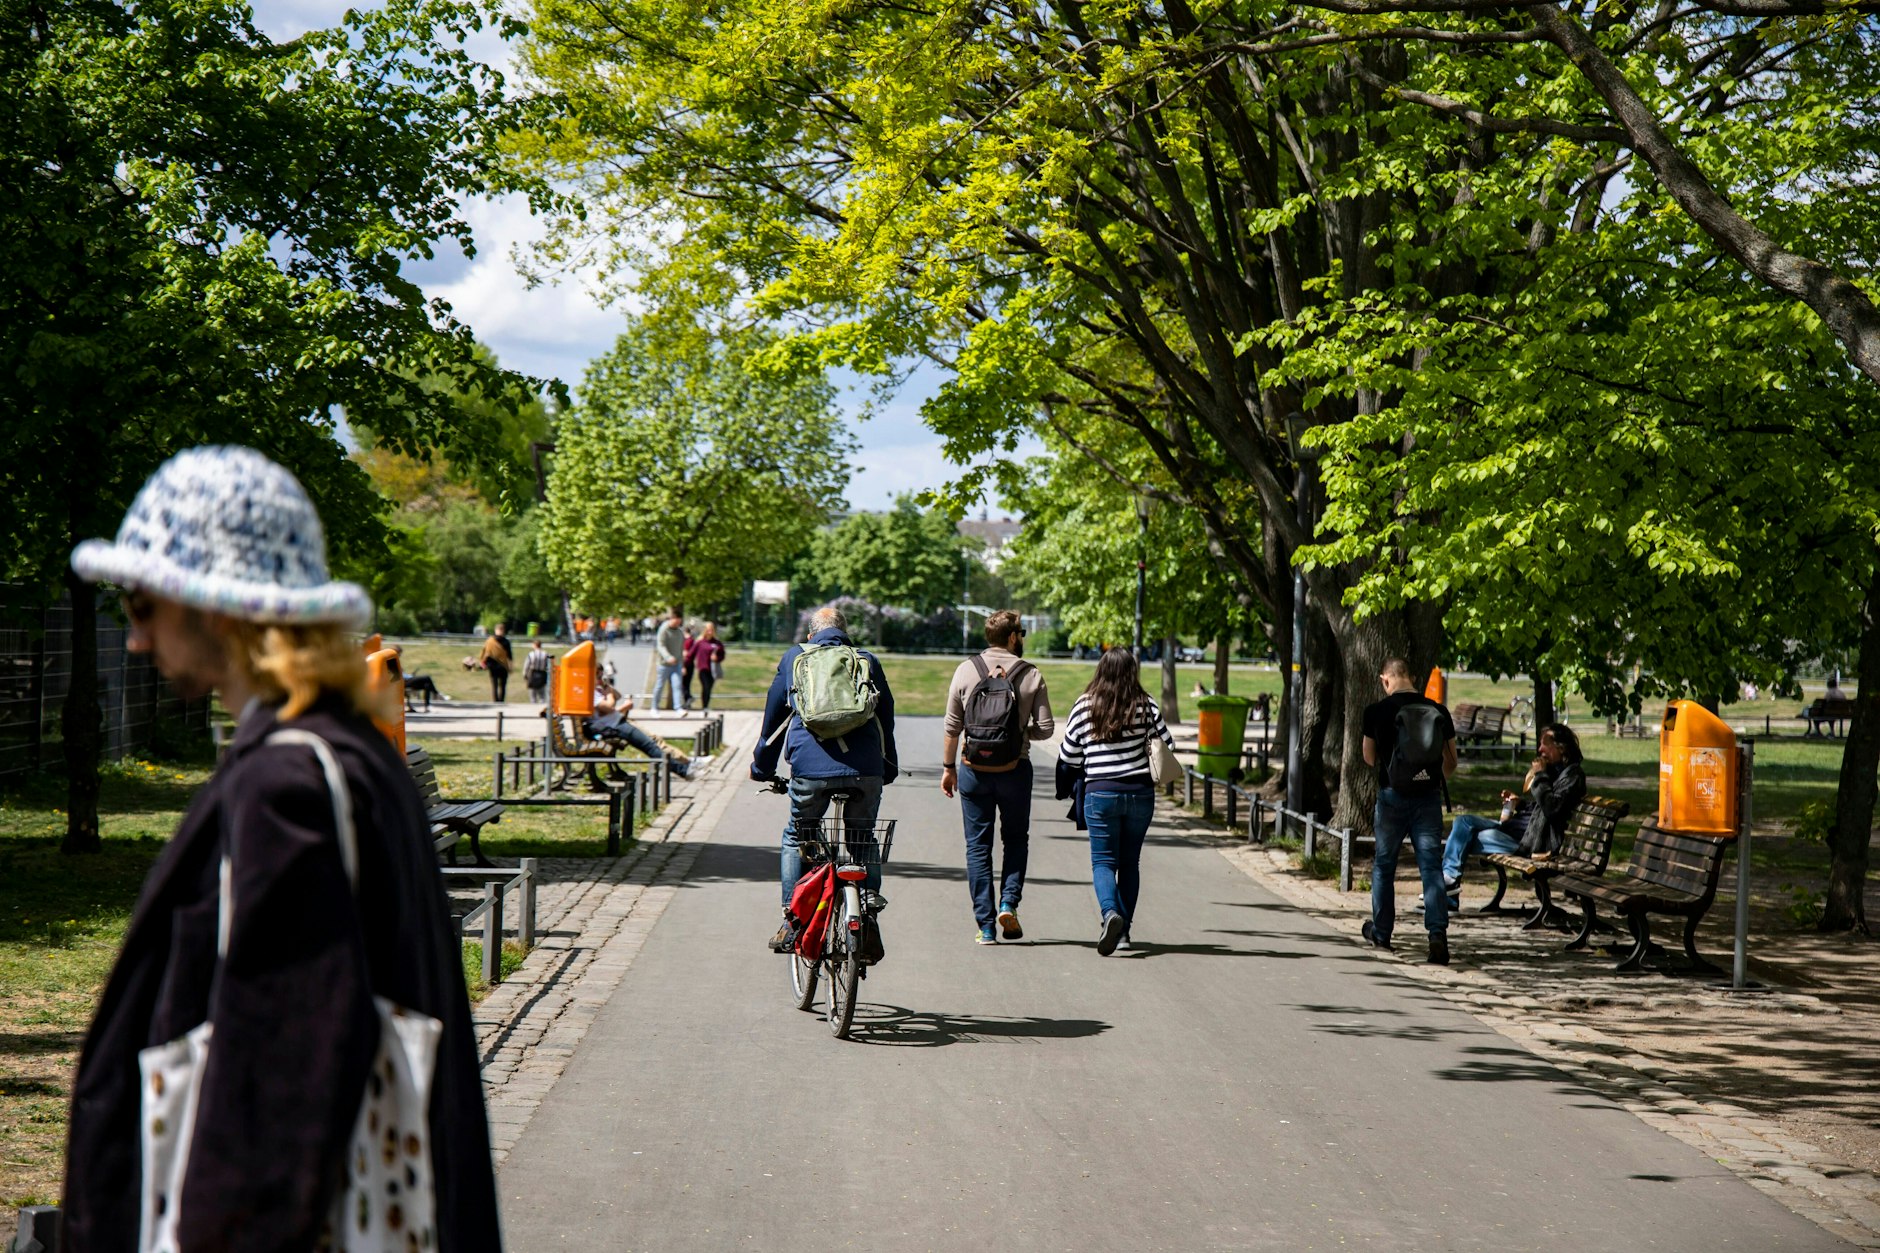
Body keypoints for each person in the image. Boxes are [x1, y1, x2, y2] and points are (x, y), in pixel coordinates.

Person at [61, 446, 500, 1252]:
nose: (136, 637)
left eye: (142, 602)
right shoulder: (352, 755)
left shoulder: (286, 786)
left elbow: (275, 1093)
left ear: (219, 607)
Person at [751, 605, 899, 952]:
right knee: (862, 836)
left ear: (810, 634)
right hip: (865, 769)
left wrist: (762, 767)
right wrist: (887, 766)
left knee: (796, 835)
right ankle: (867, 911)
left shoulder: (794, 657)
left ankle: (792, 920)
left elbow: (773, 720)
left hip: (810, 769)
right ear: (845, 633)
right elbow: (885, 718)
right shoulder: (866, 660)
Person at [942, 610, 1055, 944]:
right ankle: (1009, 903)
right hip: (1015, 770)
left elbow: (952, 727)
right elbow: (1046, 728)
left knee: (978, 847)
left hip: (973, 770)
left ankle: (986, 926)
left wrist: (948, 769)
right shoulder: (1030, 674)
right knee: (1016, 839)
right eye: (1021, 633)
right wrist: (1017, 734)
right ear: (1012, 637)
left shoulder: (966, 670)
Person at [1057, 648, 1175, 955]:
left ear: (1101, 670)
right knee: (1130, 863)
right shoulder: (1145, 704)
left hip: (1100, 794)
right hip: (1140, 793)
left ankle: (1110, 913)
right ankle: (1123, 934)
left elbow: (1069, 755)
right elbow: (1167, 745)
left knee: (1103, 862)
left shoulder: (1085, 705)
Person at [1360, 658, 1459, 964]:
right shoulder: (1438, 711)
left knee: (1384, 865)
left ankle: (1382, 932)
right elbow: (1452, 762)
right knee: (1430, 866)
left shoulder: (1376, 711)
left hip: (1392, 796)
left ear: (1385, 679)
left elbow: (1368, 757)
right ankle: (1437, 934)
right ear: (1411, 677)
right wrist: (1429, 777)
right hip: (1427, 798)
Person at [1441, 723, 1586, 902]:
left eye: (1544, 745)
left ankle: (1448, 886)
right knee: (1463, 822)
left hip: (1529, 842)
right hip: (1515, 829)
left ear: (1561, 748)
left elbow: (1552, 808)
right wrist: (1520, 804)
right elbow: (1541, 808)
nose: (1540, 749)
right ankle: (1449, 884)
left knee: (1466, 837)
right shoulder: (1555, 771)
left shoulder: (1573, 777)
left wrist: (1540, 776)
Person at [589, 678, 692, 777]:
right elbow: (609, 708)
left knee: (652, 743)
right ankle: (683, 770)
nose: (600, 679)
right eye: (598, 676)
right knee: (650, 746)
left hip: (617, 723)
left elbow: (617, 696)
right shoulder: (590, 692)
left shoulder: (594, 689)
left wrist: (607, 687)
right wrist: (609, 694)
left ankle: (685, 767)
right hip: (614, 726)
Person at [654, 607, 686, 712]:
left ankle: (678, 708)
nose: (677, 624)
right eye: (676, 622)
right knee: (660, 686)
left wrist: (682, 664)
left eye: (679, 622)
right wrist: (668, 657)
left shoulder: (680, 632)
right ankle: (654, 707)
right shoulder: (664, 630)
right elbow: (660, 645)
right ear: (671, 619)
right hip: (663, 664)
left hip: (676, 664)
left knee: (677, 686)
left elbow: (680, 649)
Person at [691, 621, 727, 711]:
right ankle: (704, 707)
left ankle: (706, 706)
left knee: (709, 688)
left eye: (711, 630)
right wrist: (685, 665)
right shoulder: (700, 642)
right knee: (705, 686)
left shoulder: (717, 643)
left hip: (713, 670)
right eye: (708, 630)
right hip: (703, 669)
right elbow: (691, 654)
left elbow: (722, 655)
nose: (710, 632)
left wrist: (717, 658)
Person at [478, 621, 512, 701]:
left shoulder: (493, 641)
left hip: (499, 666)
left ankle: (498, 701)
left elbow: (485, 653)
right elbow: (486, 652)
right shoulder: (493, 641)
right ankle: (498, 701)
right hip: (497, 666)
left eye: (501, 630)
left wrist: (483, 662)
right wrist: (483, 662)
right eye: (499, 630)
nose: (500, 631)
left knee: (499, 685)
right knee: (498, 685)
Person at [522, 638, 552, 704]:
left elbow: (526, 666)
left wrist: (525, 675)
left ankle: (533, 708)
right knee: (542, 696)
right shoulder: (546, 654)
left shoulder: (531, 654)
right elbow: (549, 665)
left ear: (534, 645)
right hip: (542, 674)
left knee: (533, 696)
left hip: (533, 674)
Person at [680, 621, 699, 709]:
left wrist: (683, 666)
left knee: (683, 684)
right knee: (686, 684)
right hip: (690, 664)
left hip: (686, 663)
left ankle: (689, 698)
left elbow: (685, 654)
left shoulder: (687, 641)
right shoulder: (692, 640)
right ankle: (687, 703)